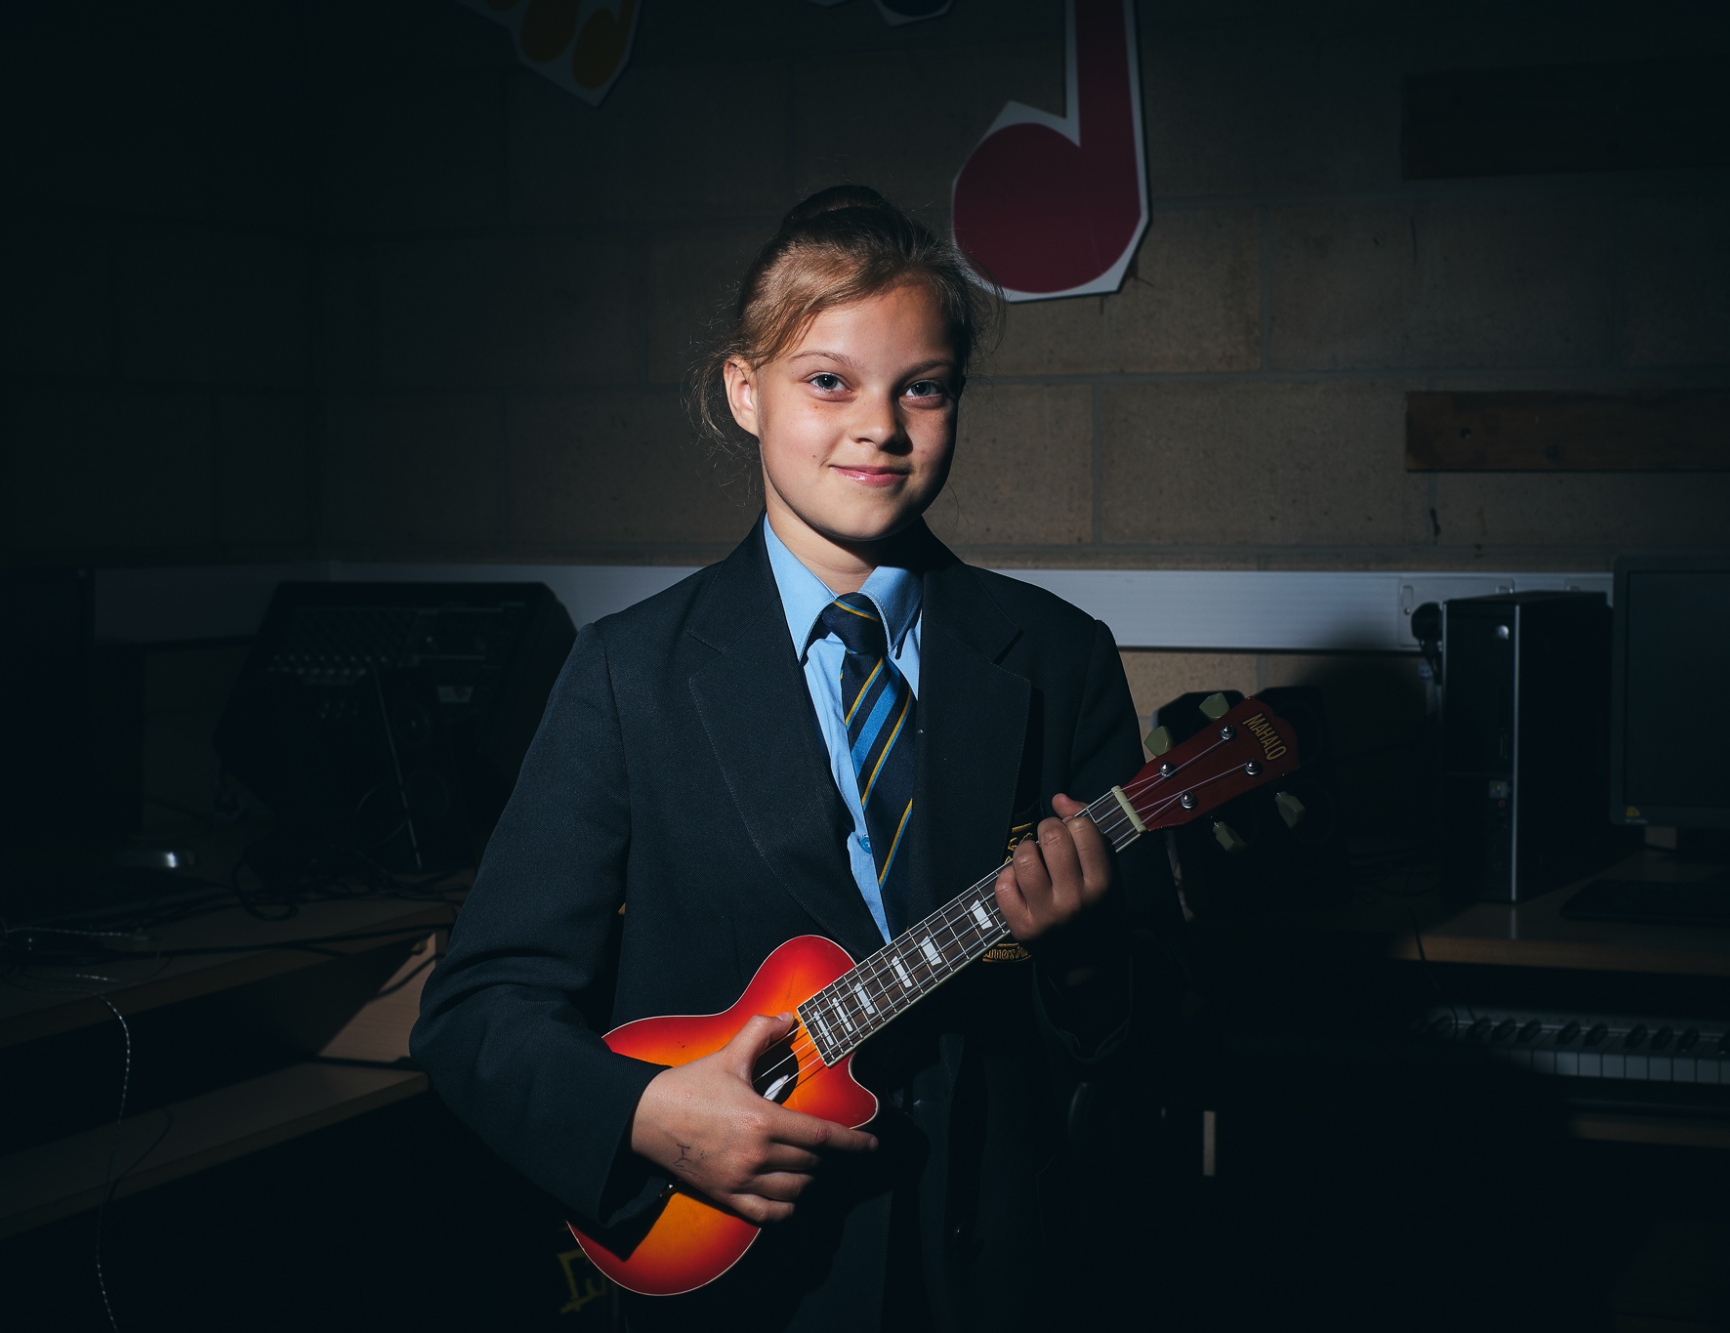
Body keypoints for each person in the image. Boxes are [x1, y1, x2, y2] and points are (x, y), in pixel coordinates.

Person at [412, 185, 1172, 1332]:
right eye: (829, 380)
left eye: (922, 386)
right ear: (742, 392)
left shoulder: (1057, 657)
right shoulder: (629, 676)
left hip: (993, 1265)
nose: (881, 425)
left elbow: (1150, 1010)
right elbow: (476, 1011)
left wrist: (1079, 961)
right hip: (743, 1277)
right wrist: (640, 1113)